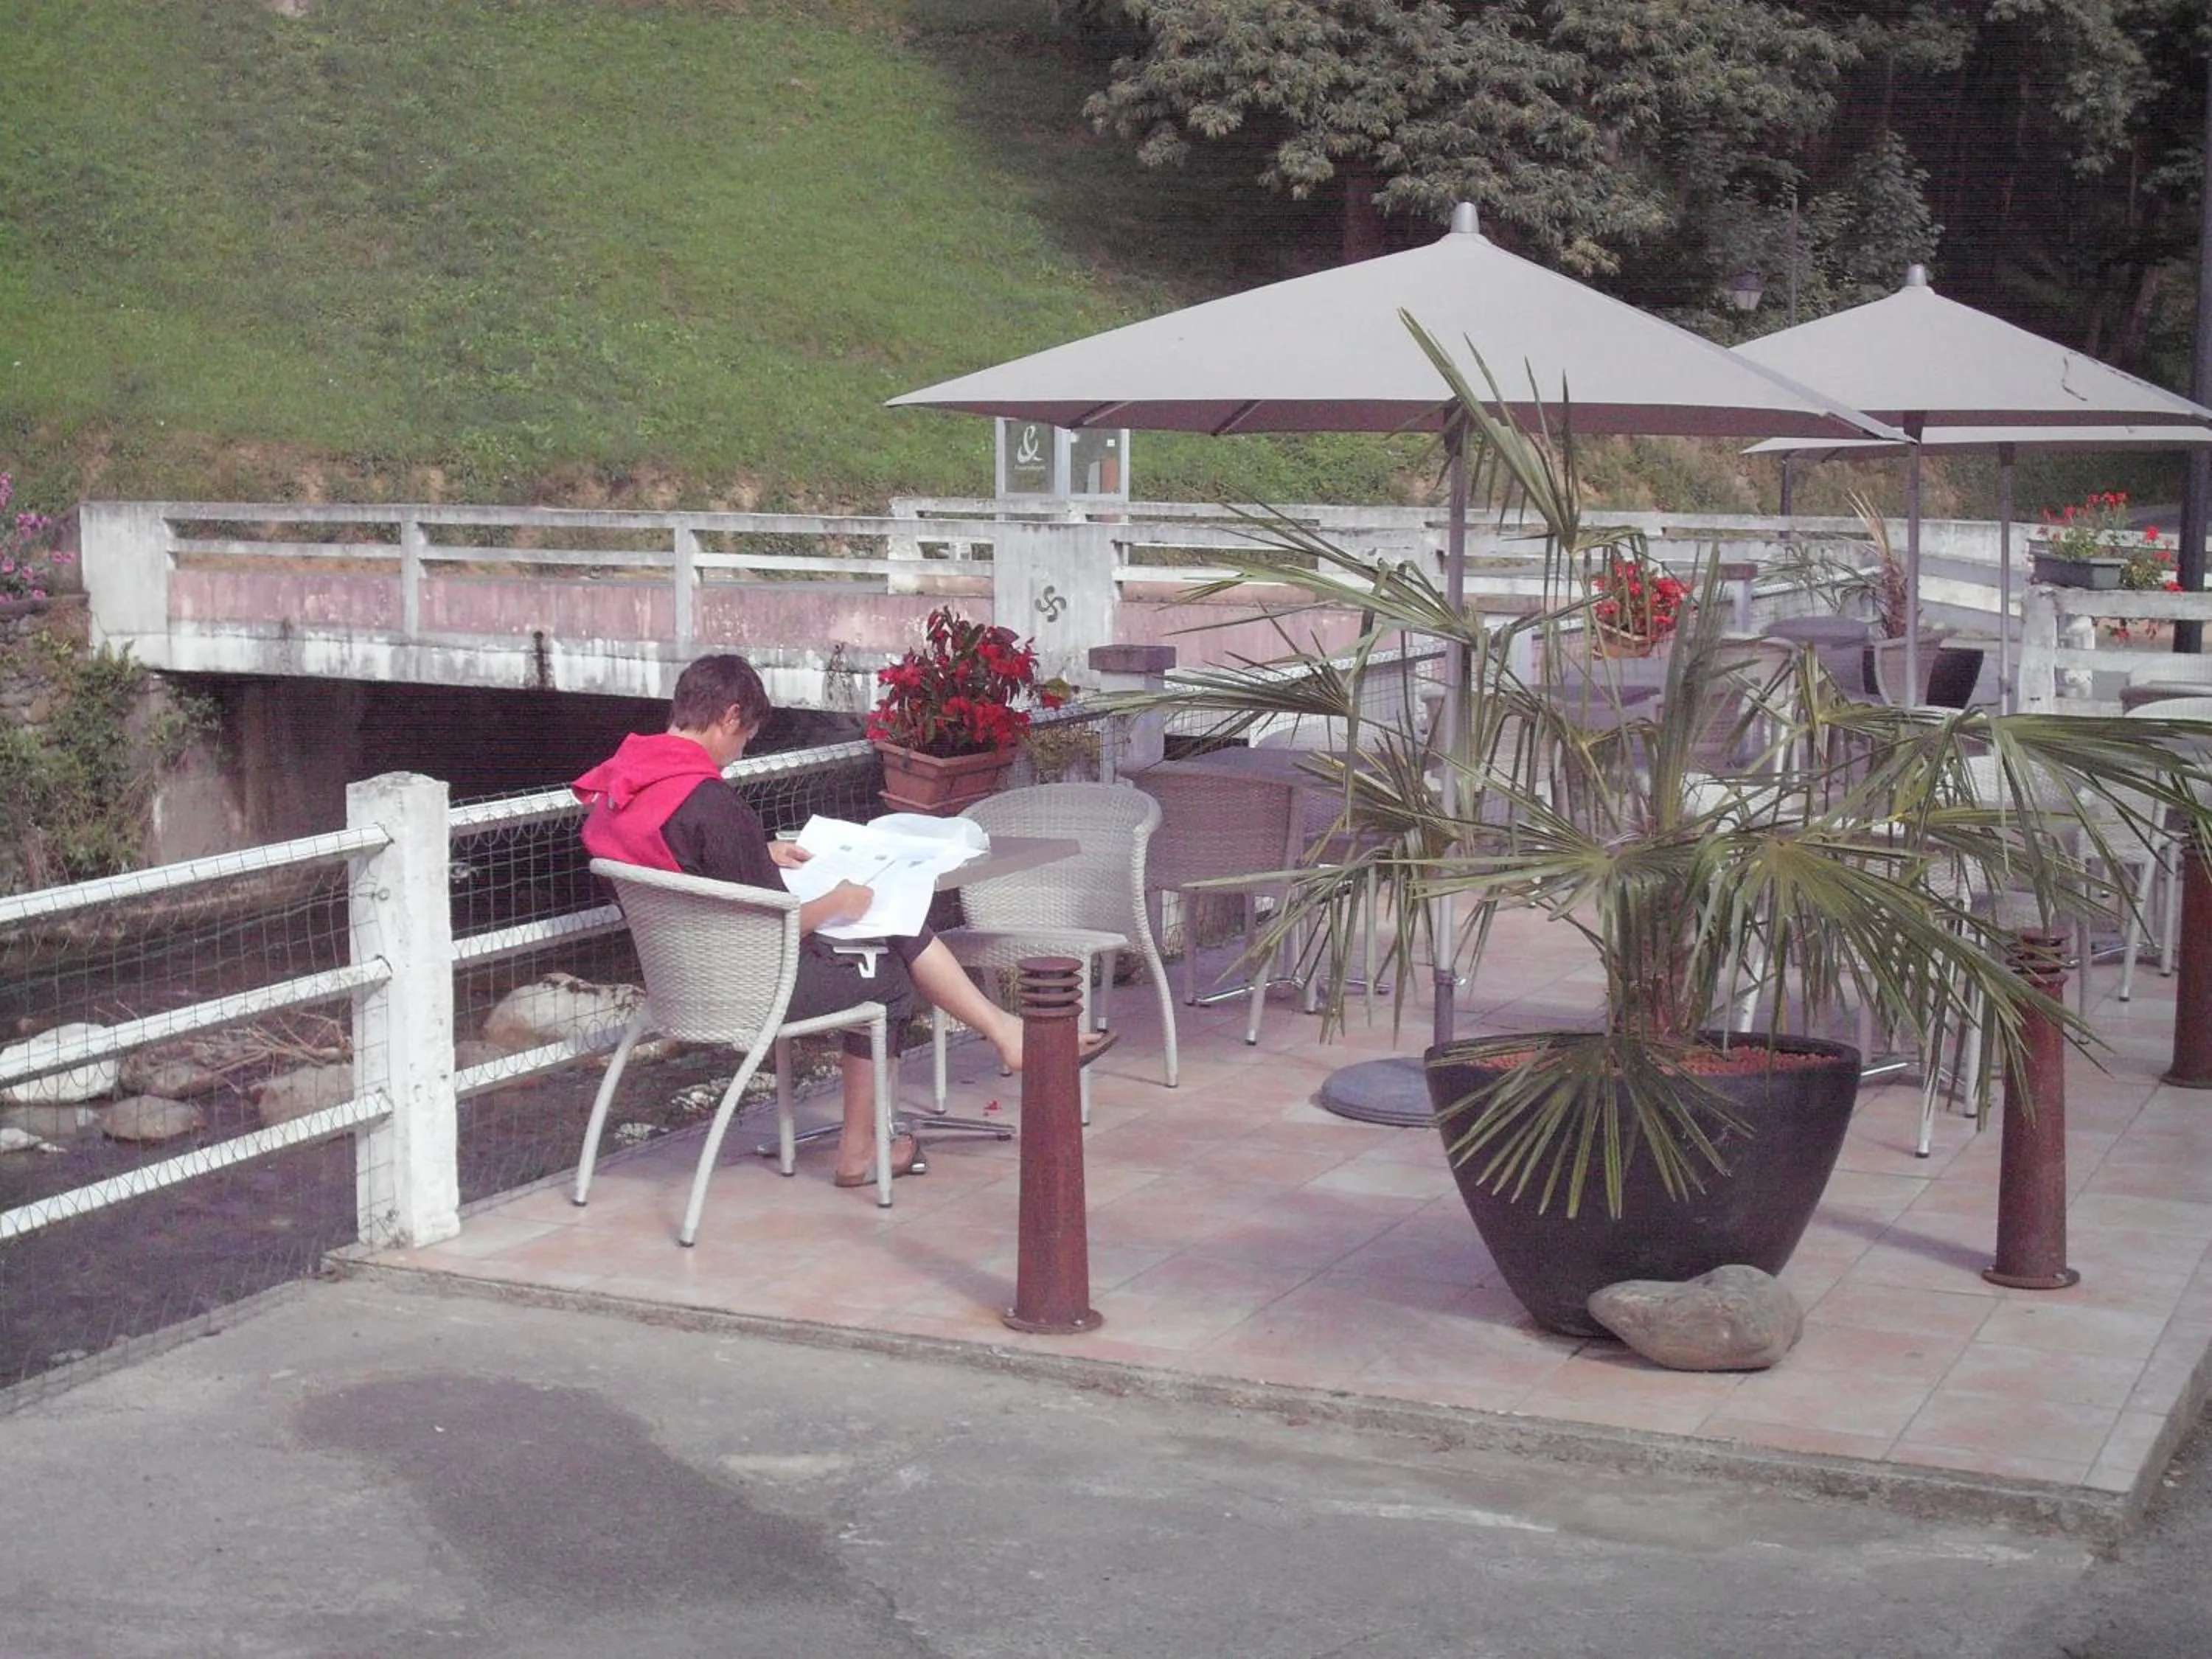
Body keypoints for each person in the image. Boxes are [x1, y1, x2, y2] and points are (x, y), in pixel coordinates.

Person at [572, 653, 1105, 1189]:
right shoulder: (711, 802)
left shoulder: (621, 794)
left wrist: (758, 851)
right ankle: (860, 1152)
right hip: (753, 990)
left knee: (889, 932)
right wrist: (839, 901)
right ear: (731, 716)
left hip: (679, 986)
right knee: (890, 977)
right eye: (745, 738)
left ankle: (1005, 1034)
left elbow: (682, 867)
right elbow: (774, 926)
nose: (737, 756)